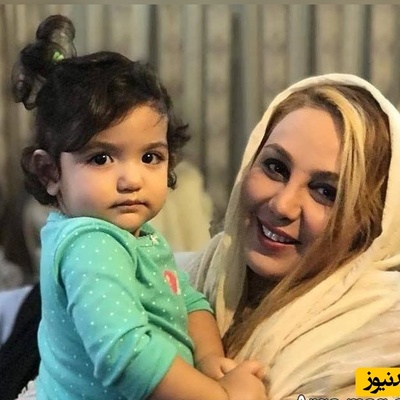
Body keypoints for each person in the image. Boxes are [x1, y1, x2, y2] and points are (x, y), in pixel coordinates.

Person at [12, 14, 266, 400]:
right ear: (50, 172)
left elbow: (188, 301)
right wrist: (221, 396)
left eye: (150, 157)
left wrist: (210, 357)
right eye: (100, 158)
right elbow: (125, 356)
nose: (131, 179)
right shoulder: (90, 245)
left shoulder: (136, 236)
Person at [189, 73, 400, 399]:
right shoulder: (174, 278)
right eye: (275, 167)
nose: (282, 205)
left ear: (371, 223)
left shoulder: (385, 340)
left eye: (326, 192)